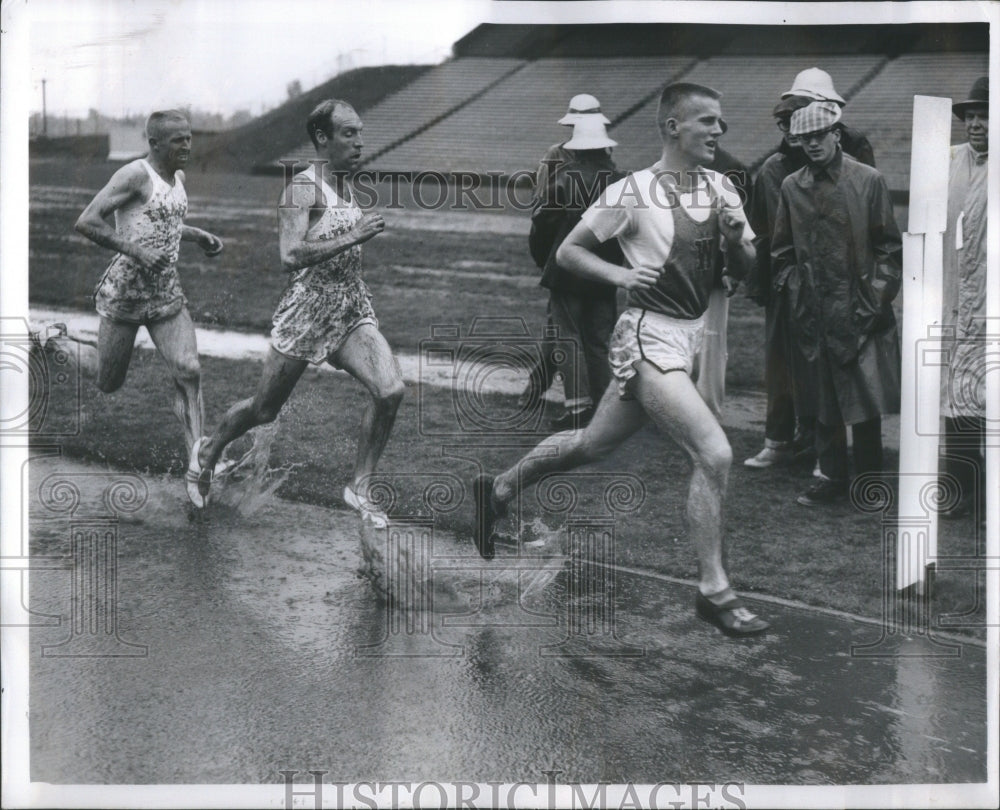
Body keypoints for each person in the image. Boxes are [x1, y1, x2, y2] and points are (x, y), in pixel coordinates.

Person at [472, 82, 769, 638]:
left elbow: (747, 271)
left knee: (591, 444)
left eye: (721, 122)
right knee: (715, 453)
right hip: (647, 338)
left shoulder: (724, 189)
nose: (718, 131)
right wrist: (621, 275)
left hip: (691, 338)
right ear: (672, 127)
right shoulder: (633, 191)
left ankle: (499, 489)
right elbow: (568, 251)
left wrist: (736, 243)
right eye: (707, 120)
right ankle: (713, 589)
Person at [186, 99, 404, 526]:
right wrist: (355, 235)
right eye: (348, 133)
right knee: (263, 410)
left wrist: (353, 239)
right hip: (306, 312)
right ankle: (207, 453)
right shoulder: (301, 189)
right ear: (322, 138)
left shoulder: (345, 182)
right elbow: (290, 254)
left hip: (349, 308)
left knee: (390, 391)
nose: (359, 142)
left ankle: (359, 487)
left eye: (360, 132)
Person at [771, 101, 902, 506]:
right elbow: (781, 253)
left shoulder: (868, 180)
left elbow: (888, 249)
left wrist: (873, 300)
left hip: (861, 308)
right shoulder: (792, 186)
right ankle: (831, 477)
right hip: (813, 310)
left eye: (818, 135)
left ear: (836, 134)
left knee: (864, 398)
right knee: (823, 397)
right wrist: (797, 294)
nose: (811, 144)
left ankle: (868, 481)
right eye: (803, 138)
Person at [744, 68, 877, 470]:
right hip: (792, 278)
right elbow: (766, 234)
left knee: (844, 362)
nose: (795, 126)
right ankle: (782, 438)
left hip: (842, 278)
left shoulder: (856, 152)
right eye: (789, 119)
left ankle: (839, 455)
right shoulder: (775, 169)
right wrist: (771, 281)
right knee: (783, 359)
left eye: (804, 114)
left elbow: (866, 218)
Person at [74, 109, 225, 459]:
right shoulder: (133, 175)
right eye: (178, 140)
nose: (187, 145)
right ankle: (54, 341)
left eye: (189, 138)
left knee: (188, 370)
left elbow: (162, 223)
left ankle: (197, 462)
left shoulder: (178, 176)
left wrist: (198, 235)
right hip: (126, 293)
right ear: (155, 143)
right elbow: (86, 221)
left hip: (165, 292)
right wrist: (136, 251)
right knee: (107, 381)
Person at [529, 115, 625, 430]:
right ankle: (605, 409)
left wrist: (547, 261)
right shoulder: (621, 181)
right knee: (599, 340)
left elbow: (542, 227)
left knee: (567, 338)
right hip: (604, 273)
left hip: (567, 272)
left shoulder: (564, 179)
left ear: (578, 148)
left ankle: (577, 409)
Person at [940, 77, 988, 523]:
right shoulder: (951, 160)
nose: (976, 123)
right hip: (959, 294)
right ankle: (959, 488)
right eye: (971, 115)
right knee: (957, 396)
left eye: (986, 115)